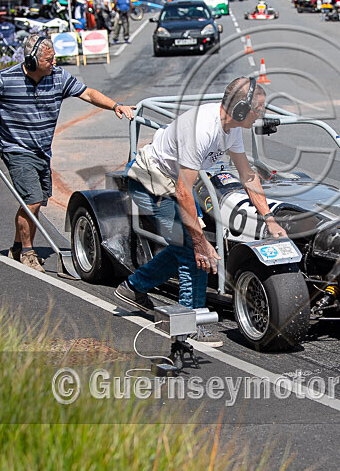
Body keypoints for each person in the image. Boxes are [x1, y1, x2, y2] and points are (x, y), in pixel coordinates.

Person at [115, 77, 287, 346]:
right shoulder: (202, 129)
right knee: (192, 249)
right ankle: (189, 324)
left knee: (189, 245)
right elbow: (184, 192)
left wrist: (269, 218)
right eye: (259, 110)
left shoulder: (231, 128)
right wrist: (200, 243)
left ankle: (133, 287)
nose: (262, 116)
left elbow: (247, 175)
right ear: (241, 109)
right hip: (151, 182)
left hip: (175, 183)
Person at [0, 35, 136, 272]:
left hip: (42, 151)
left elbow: (87, 93)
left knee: (35, 202)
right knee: (32, 199)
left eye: (54, 58)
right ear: (32, 61)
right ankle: (27, 252)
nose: (54, 63)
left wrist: (115, 106)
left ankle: (16, 247)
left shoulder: (58, 77)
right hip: (17, 149)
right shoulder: (6, 79)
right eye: (49, 59)